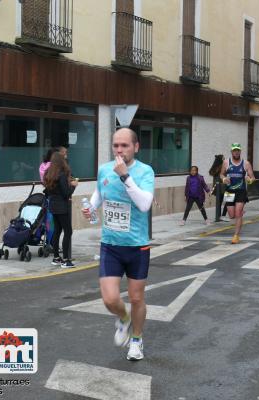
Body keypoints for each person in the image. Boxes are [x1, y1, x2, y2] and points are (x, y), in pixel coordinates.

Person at [82, 128, 155, 361]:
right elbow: (100, 193)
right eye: (116, 146)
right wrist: (91, 206)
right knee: (110, 299)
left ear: (136, 147)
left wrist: (125, 176)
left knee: (136, 298)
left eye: (124, 145)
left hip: (137, 246)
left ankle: (136, 340)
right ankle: (123, 318)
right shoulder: (104, 169)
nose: (120, 150)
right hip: (111, 244)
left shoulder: (145, 171)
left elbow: (144, 204)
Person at [44, 152, 78, 267]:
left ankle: (56, 257)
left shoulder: (48, 174)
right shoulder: (62, 174)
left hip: (53, 206)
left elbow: (48, 191)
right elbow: (66, 193)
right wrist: (73, 185)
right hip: (62, 207)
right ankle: (66, 260)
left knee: (57, 230)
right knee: (68, 231)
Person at [220, 143, 255, 244]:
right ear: (231, 152)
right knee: (231, 215)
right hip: (229, 191)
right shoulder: (226, 162)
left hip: (241, 191)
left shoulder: (246, 163)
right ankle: (239, 213)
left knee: (237, 213)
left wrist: (249, 180)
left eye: (238, 150)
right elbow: (221, 174)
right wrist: (224, 179)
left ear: (240, 151)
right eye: (234, 150)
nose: (236, 152)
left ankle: (236, 236)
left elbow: (253, 177)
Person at [209, 154, 227, 219]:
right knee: (223, 201)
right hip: (221, 186)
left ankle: (221, 215)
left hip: (224, 185)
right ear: (220, 160)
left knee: (228, 201)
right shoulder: (218, 167)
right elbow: (211, 173)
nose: (224, 159)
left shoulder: (223, 166)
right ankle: (220, 216)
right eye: (223, 158)